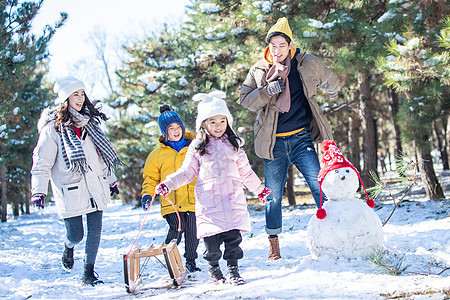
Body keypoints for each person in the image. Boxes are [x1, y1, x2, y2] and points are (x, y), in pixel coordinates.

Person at [239, 17, 339, 260]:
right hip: (274, 143)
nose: (277, 51)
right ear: (268, 47)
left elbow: (330, 80)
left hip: (301, 138)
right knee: (272, 194)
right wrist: (265, 91)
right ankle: (274, 245)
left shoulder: (306, 63)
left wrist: (332, 91)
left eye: (281, 45)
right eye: (273, 46)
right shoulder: (260, 69)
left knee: (319, 185)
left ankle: (331, 234)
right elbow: (245, 100)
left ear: (290, 45)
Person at [154, 91, 271, 285]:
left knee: (233, 241)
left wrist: (259, 189)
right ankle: (214, 267)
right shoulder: (197, 147)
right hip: (209, 204)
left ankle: (233, 269)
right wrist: (169, 183)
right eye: (213, 122)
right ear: (203, 124)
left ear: (228, 122)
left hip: (232, 200)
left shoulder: (235, 145)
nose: (218, 126)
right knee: (212, 245)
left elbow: (246, 172)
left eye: (222, 121)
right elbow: (187, 172)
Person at [30, 76, 123, 286]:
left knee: (96, 229)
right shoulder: (53, 129)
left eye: (82, 93)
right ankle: (68, 246)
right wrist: (39, 190)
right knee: (76, 235)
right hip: (69, 188)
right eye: (75, 94)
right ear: (65, 98)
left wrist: (111, 180)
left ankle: (88, 272)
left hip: (95, 184)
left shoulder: (91, 125)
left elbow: (101, 158)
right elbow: (42, 162)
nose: (80, 99)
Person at [141, 105, 201, 273]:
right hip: (171, 202)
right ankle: (169, 257)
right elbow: (151, 178)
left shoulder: (194, 148)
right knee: (176, 230)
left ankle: (191, 261)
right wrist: (148, 193)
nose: (176, 131)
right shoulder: (156, 155)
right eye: (171, 128)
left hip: (191, 200)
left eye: (178, 127)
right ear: (164, 132)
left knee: (193, 234)